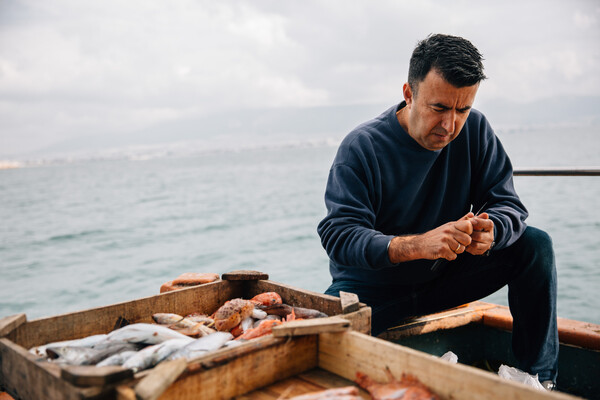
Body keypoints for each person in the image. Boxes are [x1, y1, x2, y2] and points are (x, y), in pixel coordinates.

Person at [317, 33, 558, 389]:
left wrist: (493, 231)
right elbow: (338, 235)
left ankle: (538, 382)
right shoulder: (362, 146)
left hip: (443, 279)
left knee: (535, 246)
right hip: (372, 289)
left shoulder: (475, 131)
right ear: (409, 94)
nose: (450, 125)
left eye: (463, 109)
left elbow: (508, 204)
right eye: (439, 108)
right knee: (318, 343)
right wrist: (415, 245)